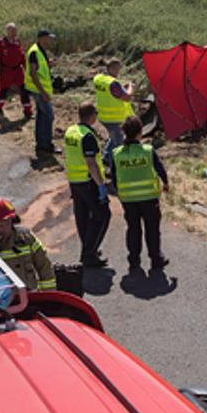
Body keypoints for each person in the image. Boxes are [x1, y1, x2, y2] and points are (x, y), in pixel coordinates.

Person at [107, 117, 169, 272]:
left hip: (128, 199)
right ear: (140, 133)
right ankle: (156, 259)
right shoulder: (148, 151)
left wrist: (119, 191)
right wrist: (166, 183)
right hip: (149, 197)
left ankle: (134, 260)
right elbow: (160, 169)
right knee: (152, 229)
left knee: (133, 229)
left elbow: (113, 176)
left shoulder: (116, 154)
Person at [0, 195, 59, 290]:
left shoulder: (25, 237)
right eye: (0, 226)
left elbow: (44, 267)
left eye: (8, 223)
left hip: (29, 296)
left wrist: (48, 293)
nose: (6, 229)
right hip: (0, 299)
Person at [65, 104, 112, 268]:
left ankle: (88, 249)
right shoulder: (87, 136)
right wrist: (101, 186)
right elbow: (91, 163)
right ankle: (89, 253)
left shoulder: (71, 131)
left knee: (83, 217)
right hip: (88, 181)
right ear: (92, 115)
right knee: (102, 215)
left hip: (74, 181)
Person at [0, 22, 32, 122]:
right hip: (6, 71)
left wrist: (27, 69)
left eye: (15, 31)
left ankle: (27, 111)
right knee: (3, 91)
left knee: (24, 90)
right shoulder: (0, 44)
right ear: (7, 31)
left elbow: (22, 57)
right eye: (12, 31)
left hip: (18, 71)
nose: (14, 33)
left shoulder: (18, 42)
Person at [26, 29, 57, 156]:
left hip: (40, 89)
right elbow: (33, 73)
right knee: (49, 116)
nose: (50, 40)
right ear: (42, 38)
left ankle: (41, 144)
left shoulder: (40, 50)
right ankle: (47, 145)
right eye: (49, 38)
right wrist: (43, 92)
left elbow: (39, 67)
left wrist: (49, 64)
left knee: (41, 116)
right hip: (38, 90)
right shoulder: (34, 51)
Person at [92, 59, 135, 150]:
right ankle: (112, 158)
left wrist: (122, 88)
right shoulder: (113, 83)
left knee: (113, 138)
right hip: (114, 118)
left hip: (102, 116)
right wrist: (130, 86)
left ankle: (106, 156)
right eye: (117, 69)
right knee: (118, 144)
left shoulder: (98, 78)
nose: (118, 71)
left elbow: (110, 92)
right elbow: (127, 97)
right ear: (112, 68)